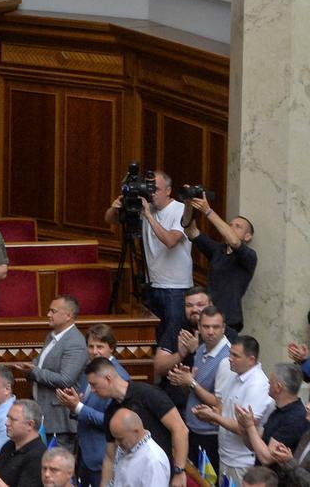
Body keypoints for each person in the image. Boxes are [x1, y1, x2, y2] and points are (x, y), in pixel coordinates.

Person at [104, 170, 192, 349]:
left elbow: (170, 241)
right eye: (149, 188)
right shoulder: (144, 207)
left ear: (168, 190)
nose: (151, 193)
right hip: (153, 285)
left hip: (176, 288)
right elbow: (109, 219)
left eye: (156, 189)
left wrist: (149, 216)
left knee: (173, 340)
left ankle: (172, 376)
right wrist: (117, 205)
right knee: (155, 338)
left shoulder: (180, 210)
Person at [84, 357, 187, 487]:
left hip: (159, 473)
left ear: (108, 379)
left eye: (94, 384)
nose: (92, 390)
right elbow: (110, 456)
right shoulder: (111, 411)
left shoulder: (148, 394)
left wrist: (179, 471)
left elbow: (180, 428)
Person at [55, 324, 131, 485]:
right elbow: (86, 406)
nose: (94, 351)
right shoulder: (90, 370)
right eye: (90, 346)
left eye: (100, 347)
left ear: (111, 348)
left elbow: (112, 422)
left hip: (103, 458)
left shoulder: (119, 377)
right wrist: (75, 404)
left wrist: (79, 407)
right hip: (85, 453)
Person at [191, 336, 273, 484]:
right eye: (230, 353)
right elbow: (225, 413)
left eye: (235, 355)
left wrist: (215, 418)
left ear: (251, 360)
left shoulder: (257, 385)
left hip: (241, 462)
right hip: (225, 456)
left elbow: (245, 428)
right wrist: (210, 414)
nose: (229, 358)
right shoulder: (234, 376)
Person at [12, 295, 87, 451]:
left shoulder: (75, 342)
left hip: (59, 423)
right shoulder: (52, 336)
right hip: (45, 417)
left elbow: (66, 379)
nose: (48, 315)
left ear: (68, 315)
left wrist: (33, 372)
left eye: (53, 311)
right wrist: (30, 367)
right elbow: (41, 363)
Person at [164, 305, 231, 470]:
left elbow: (217, 402)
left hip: (210, 434)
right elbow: (192, 392)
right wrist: (184, 380)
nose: (210, 331)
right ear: (199, 328)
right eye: (206, 326)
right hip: (193, 428)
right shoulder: (201, 349)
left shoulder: (227, 359)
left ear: (223, 328)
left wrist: (191, 382)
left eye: (215, 327)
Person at [182, 192, 257, 332]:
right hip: (206, 318)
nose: (231, 228)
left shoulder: (249, 256)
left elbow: (234, 241)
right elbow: (191, 231)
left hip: (228, 321)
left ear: (248, 236)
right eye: (230, 225)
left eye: (238, 226)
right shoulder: (218, 250)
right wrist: (188, 205)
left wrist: (208, 211)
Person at [236, 362, 310, 467]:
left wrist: (250, 426)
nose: (268, 384)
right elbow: (254, 445)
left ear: (278, 387)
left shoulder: (295, 418)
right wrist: (244, 427)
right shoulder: (277, 409)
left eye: (270, 382)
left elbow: (267, 458)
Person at [107, 408, 171, 487]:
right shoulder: (125, 448)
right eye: (115, 438)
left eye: (120, 439)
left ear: (136, 431)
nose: (117, 443)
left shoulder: (154, 461)